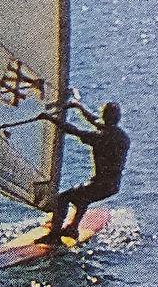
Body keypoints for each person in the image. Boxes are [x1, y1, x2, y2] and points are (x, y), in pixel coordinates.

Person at [41, 100, 129, 244]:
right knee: (82, 196)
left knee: (63, 198)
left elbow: (74, 131)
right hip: (112, 185)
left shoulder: (100, 138)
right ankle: (72, 228)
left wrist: (50, 119)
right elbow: (95, 121)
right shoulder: (121, 136)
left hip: (101, 185)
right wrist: (79, 107)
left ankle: (54, 235)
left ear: (105, 116)